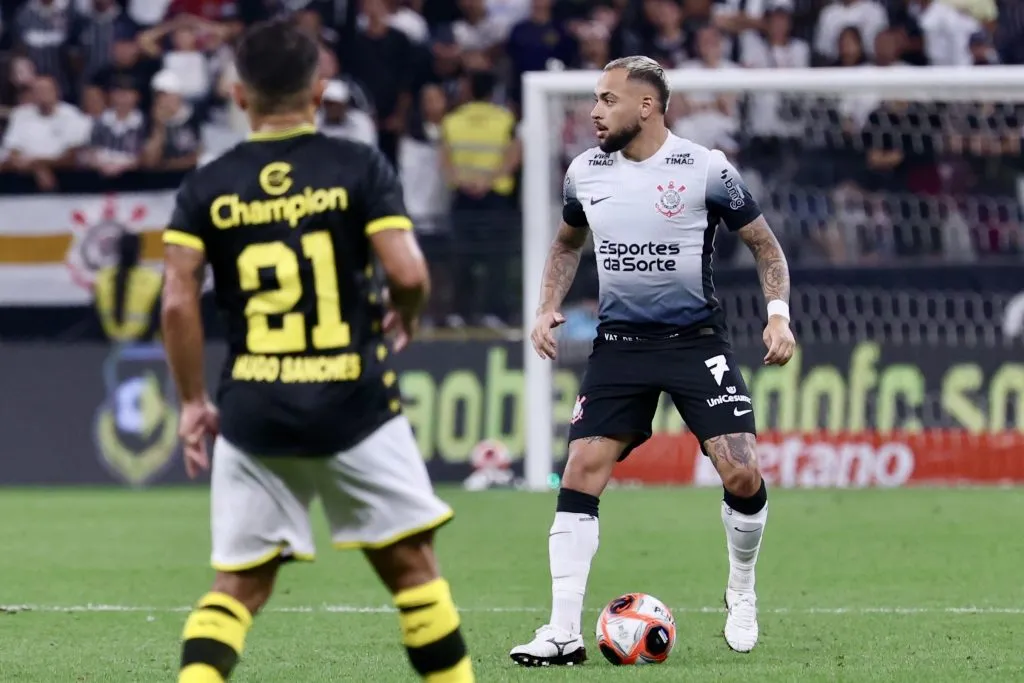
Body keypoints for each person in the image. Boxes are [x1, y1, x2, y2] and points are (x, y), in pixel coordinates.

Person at [160, 19, 474, 683]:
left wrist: (193, 401)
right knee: (414, 572)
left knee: (236, 588)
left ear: (239, 94)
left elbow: (177, 302)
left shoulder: (206, 186)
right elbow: (410, 273)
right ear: (319, 88)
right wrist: (406, 314)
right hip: (353, 398)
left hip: (253, 406)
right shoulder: (356, 165)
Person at [510, 55, 797, 666]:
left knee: (742, 473)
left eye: (607, 99)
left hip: (696, 342)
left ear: (646, 106)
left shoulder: (705, 169)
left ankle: (740, 589)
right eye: (594, 99)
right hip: (620, 345)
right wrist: (544, 308)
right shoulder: (585, 173)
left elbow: (765, 247)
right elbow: (566, 243)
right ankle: (563, 633)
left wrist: (778, 314)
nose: (594, 111)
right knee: (581, 469)